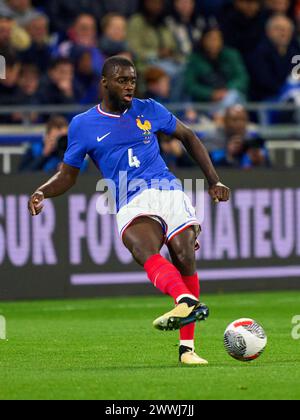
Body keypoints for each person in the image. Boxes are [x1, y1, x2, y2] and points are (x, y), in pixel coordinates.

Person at [28, 56, 230, 366]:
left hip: (167, 190)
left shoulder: (149, 108)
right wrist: (43, 190)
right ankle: (186, 300)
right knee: (142, 248)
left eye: (133, 80)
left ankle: (186, 349)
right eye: (122, 80)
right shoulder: (83, 124)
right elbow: (68, 174)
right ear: (105, 83)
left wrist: (214, 180)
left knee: (184, 255)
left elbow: (188, 136)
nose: (129, 85)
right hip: (128, 198)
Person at [185, 24, 249, 115]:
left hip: (229, 97)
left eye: (217, 39)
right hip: (206, 102)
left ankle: (220, 117)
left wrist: (226, 90)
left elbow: (242, 78)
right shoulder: (195, 60)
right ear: (203, 40)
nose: (214, 42)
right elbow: (191, 85)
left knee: (233, 96)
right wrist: (211, 94)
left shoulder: (232, 55)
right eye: (210, 39)